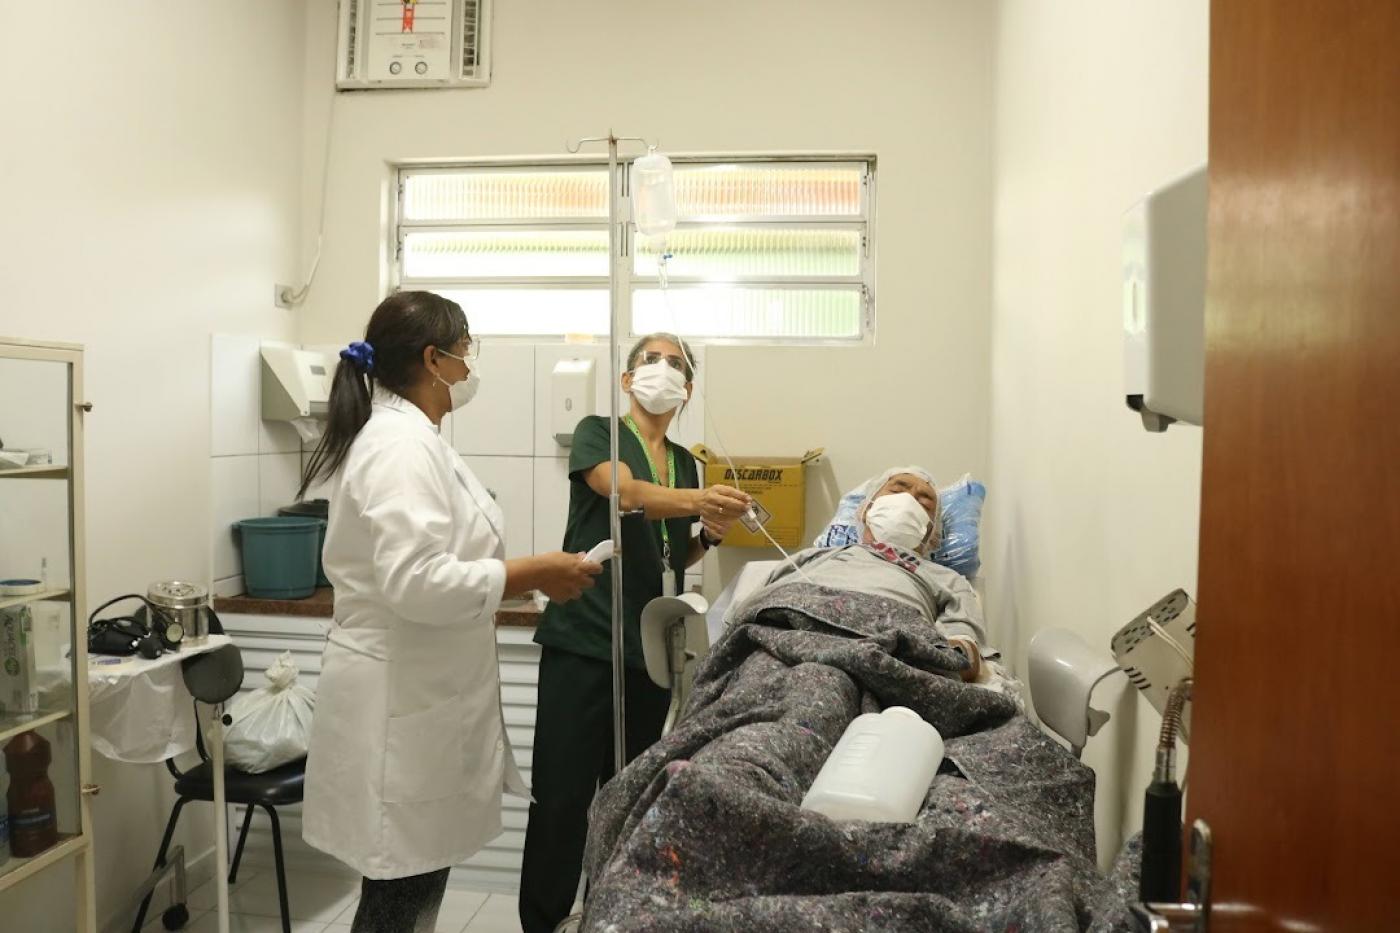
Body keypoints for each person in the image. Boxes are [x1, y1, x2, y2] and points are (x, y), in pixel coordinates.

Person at [298, 291, 603, 933]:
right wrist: (535, 571)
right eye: (466, 351)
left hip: (416, 695)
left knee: (409, 893)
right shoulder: (398, 447)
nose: (471, 367)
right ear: (434, 359)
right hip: (397, 707)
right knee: (398, 903)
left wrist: (518, 575)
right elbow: (418, 581)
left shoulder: (416, 438)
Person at [519, 333, 752, 933]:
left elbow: (676, 551)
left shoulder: (685, 462)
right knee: (563, 800)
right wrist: (699, 497)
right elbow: (621, 492)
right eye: (651, 360)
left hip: (647, 653)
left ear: (689, 389)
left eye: (676, 364)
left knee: (627, 802)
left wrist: (714, 531)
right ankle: (543, 922)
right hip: (584, 641)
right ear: (627, 380)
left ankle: (609, 915)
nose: (663, 370)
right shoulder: (601, 431)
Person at [750, 467, 990, 680]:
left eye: (924, 503)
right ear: (866, 510)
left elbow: (966, 659)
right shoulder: (812, 557)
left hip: (879, 653)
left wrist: (908, 653)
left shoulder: (946, 578)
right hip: (784, 641)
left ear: (931, 532)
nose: (908, 502)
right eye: (897, 491)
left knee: (823, 682)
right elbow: (745, 615)